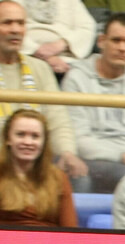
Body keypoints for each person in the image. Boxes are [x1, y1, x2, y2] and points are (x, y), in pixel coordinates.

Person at [61, 13, 125, 193]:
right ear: (101, 41)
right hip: (93, 159)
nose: (123, 48)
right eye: (116, 40)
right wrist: (122, 157)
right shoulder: (76, 77)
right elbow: (78, 139)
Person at [0, 0, 88, 189]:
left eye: (21, 23)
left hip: (36, 161)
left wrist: (67, 152)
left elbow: (58, 118)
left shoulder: (40, 68)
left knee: (78, 177)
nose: (15, 29)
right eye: (7, 23)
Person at [0, 109, 76, 226]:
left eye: (35, 136)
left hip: (49, 243)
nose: (28, 142)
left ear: (44, 142)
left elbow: (71, 231)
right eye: (20, 134)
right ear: (8, 139)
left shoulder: (58, 178)